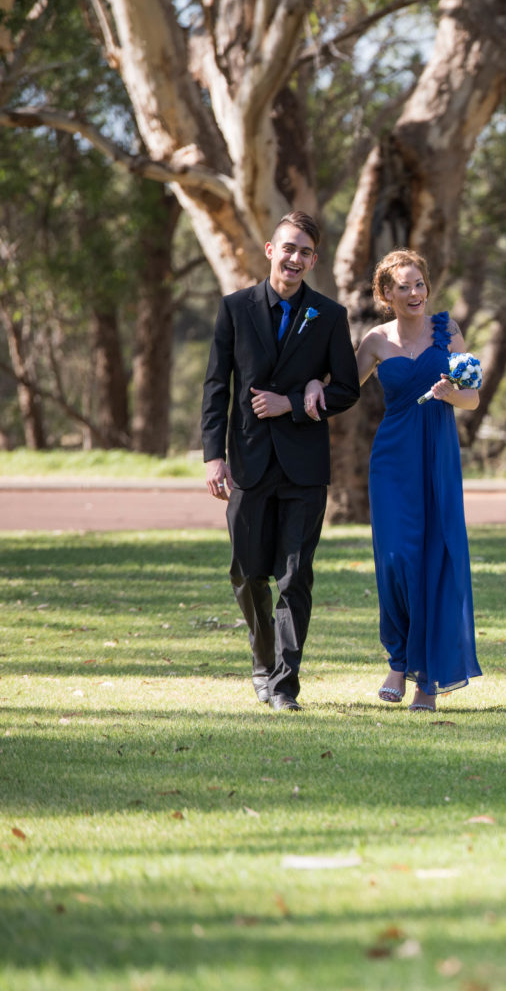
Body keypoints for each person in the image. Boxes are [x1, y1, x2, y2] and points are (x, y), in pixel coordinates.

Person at [306, 249, 481, 712]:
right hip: (392, 461)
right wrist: (309, 388)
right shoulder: (375, 341)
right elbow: (343, 389)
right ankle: (399, 658)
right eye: (402, 286)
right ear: (386, 294)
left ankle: (424, 679)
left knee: (433, 559)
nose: (414, 293)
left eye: (419, 283)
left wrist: (452, 393)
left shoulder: (449, 331)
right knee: (398, 560)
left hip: (438, 458)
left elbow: (474, 400)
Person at [200, 211, 360, 712]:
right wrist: (212, 456)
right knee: (247, 573)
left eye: (305, 252)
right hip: (246, 461)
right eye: (288, 248)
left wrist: (296, 401)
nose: (295, 259)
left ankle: (285, 686)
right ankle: (262, 663)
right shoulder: (234, 308)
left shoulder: (330, 316)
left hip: (304, 468)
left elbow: (348, 389)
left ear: (314, 260)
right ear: (271, 250)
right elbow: (215, 386)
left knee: (295, 576)